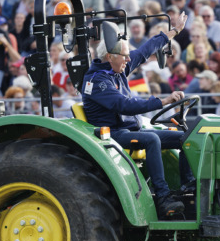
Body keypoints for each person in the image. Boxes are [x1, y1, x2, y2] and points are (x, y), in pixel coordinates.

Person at [81, 14, 193, 219]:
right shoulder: (97, 81)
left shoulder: (117, 69)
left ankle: (189, 187)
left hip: (130, 130)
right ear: (109, 57)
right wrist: (163, 101)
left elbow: (145, 50)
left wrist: (175, 31)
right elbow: (125, 105)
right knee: (150, 139)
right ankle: (163, 197)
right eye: (124, 55)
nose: (129, 59)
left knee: (185, 137)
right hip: (113, 134)